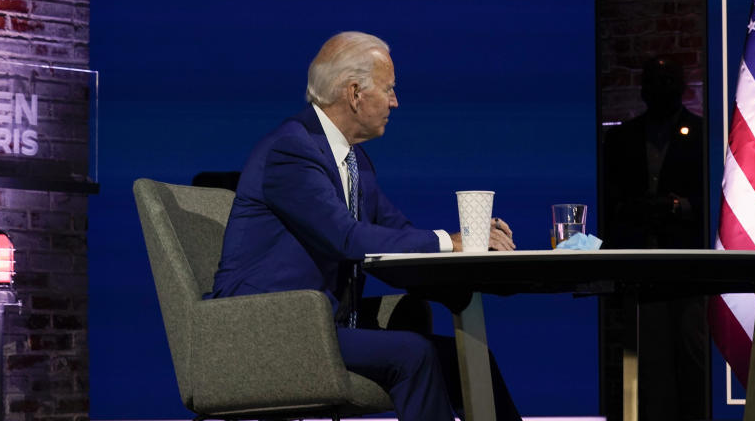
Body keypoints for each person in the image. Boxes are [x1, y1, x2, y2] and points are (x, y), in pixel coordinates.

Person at [208, 31, 522, 421]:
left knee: (466, 357)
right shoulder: (292, 150)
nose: (395, 101)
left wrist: (475, 259)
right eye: (389, 90)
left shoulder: (356, 162)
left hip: (316, 326)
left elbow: (396, 235)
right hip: (267, 329)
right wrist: (449, 241)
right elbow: (348, 238)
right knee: (414, 354)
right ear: (355, 93)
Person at [602, 56, 707, 420]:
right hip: (638, 268)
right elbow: (610, 202)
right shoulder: (619, 139)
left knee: (693, 361)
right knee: (647, 367)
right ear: (642, 89)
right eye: (653, 81)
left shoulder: (703, 135)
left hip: (690, 269)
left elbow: (712, 199)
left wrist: (680, 207)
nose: (659, 89)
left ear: (681, 88)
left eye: (668, 81)